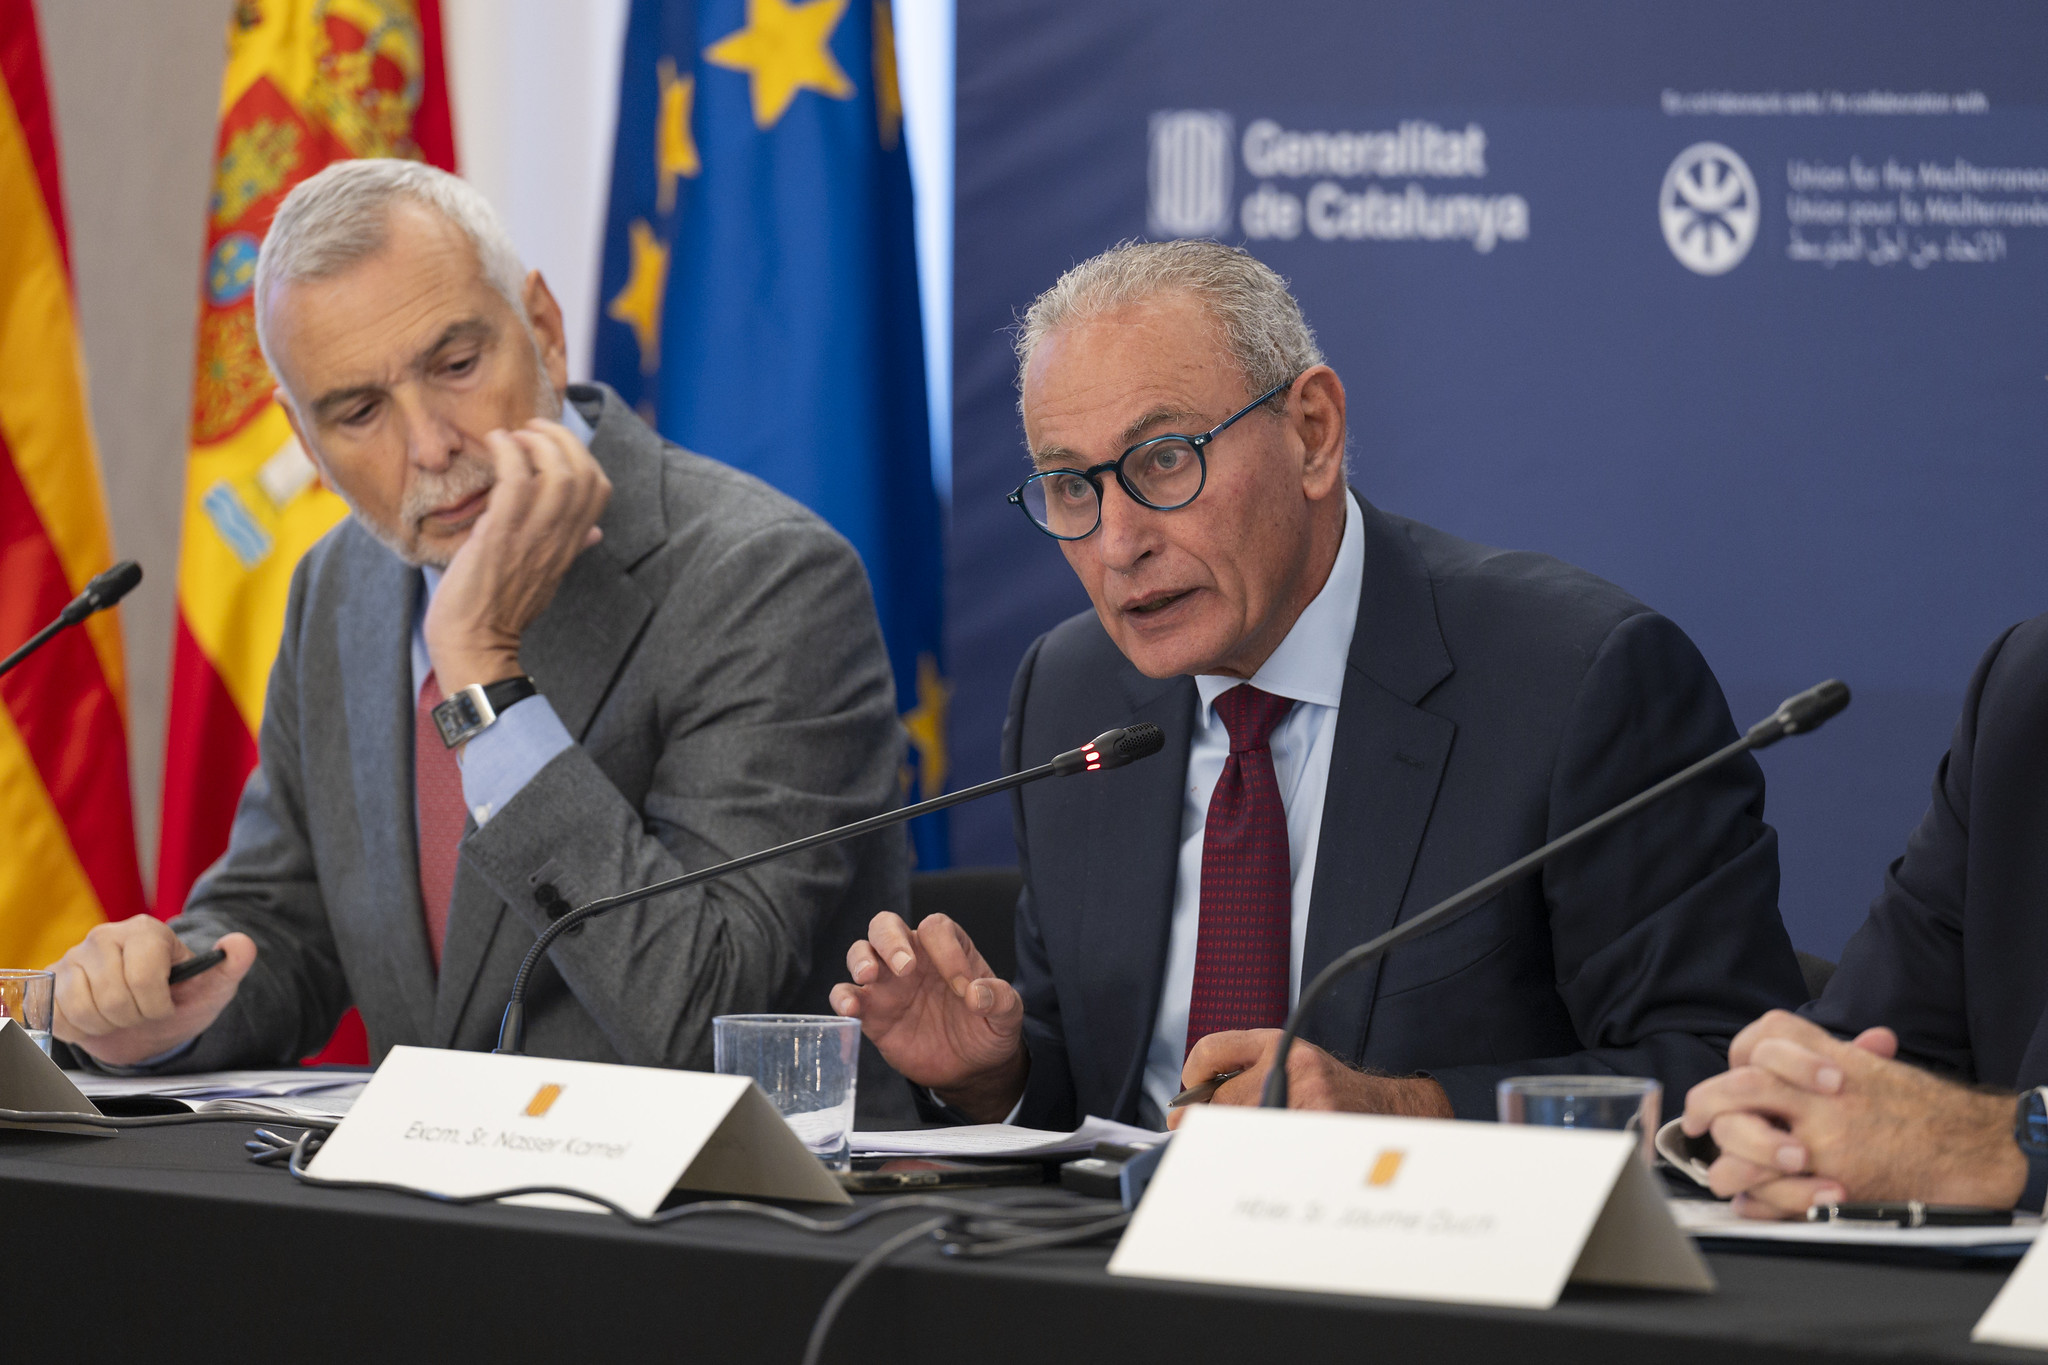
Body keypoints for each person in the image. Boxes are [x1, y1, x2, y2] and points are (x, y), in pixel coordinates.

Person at [831, 239, 1806, 1129]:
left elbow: (1720, 1072)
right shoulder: (1074, 687)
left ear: (1310, 431)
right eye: (1071, 487)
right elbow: (1101, 1097)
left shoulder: (1574, 680)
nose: (1117, 542)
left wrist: (1408, 1110)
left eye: (1164, 460)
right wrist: (988, 1079)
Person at [49, 159, 907, 1076]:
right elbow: (282, 927)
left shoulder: (765, 577)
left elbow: (703, 1009)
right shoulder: (338, 586)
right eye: (359, 411)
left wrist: (483, 678)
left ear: (542, 328)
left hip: (708, 1209)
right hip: (424, 1210)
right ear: (306, 442)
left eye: (456, 366)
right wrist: (165, 1006)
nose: (428, 445)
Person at [1680, 615, 2048, 1218]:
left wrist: (1998, 1150)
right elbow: (1876, 1050)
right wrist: (1777, 1128)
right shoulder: (2029, 685)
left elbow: (1941, 1137)